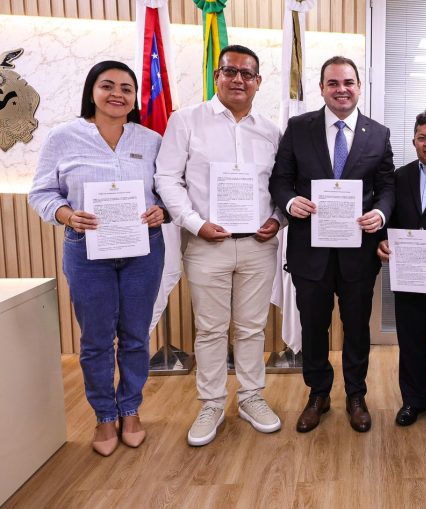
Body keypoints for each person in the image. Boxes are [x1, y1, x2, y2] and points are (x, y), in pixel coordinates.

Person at [29, 60, 166, 456]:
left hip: (142, 249)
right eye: (108, 86)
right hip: (87, 250)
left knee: (136, 335)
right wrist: (67, 214)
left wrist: (162, 210)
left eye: (126, 88)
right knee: (96, 339)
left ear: (135, 98)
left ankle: (131, 410)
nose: (117, 94)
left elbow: (168, 190)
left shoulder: (151, 140)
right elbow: (41, 192)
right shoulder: (63, 137)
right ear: (92, 90)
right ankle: (105, 415)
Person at [155, 45, 283, 446]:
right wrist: (195, 223)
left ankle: (250, 397)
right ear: (217, 76)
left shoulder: (271, 130)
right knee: (210, 329)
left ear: (258, 82)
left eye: (247, 74)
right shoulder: (186, 121)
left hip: (258, 245)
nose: (238, 79)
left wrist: (277, 219)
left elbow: (282, 184)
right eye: (230, 71)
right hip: (206, 243)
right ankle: (211, 403)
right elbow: (166, 178)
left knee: (252, 328)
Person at [269, 55, 395, 433]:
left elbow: (387, 187)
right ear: (322, 88)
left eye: (348, 82)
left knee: (356, 328)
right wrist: (290, 202)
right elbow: (280, 180)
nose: (342, 90)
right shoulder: (298, 128)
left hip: (359, 252)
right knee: (313, 326)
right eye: (333, 83)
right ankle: (318, 394)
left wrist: (381, 214)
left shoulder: (378, 134)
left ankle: (356, 395)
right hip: (310, 252)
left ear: (359, 87)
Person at [377, 109, 426, 426]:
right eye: (421, 137)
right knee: (411, 343)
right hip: (410, 277)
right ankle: (413, 401)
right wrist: (383, 241)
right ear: (413, 141)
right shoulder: (402, 176)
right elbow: (390, 217)